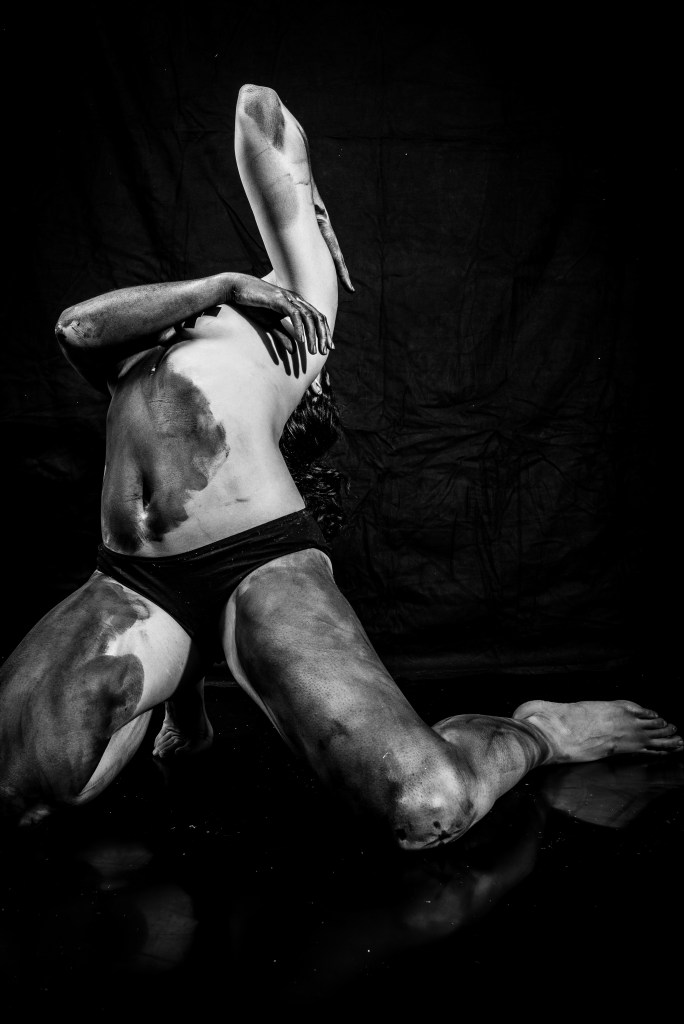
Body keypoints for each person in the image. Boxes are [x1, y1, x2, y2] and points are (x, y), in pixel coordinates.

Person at [1, 85, 681, 847]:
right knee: (23, 790)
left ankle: (540, 733)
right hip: (132, 582)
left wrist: (310, 224)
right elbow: (77, 327)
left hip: (254, 568)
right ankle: (178, 692)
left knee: (425, 807)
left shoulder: (298, 321)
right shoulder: (139, 344)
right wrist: (220, 286)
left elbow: (258, 110)